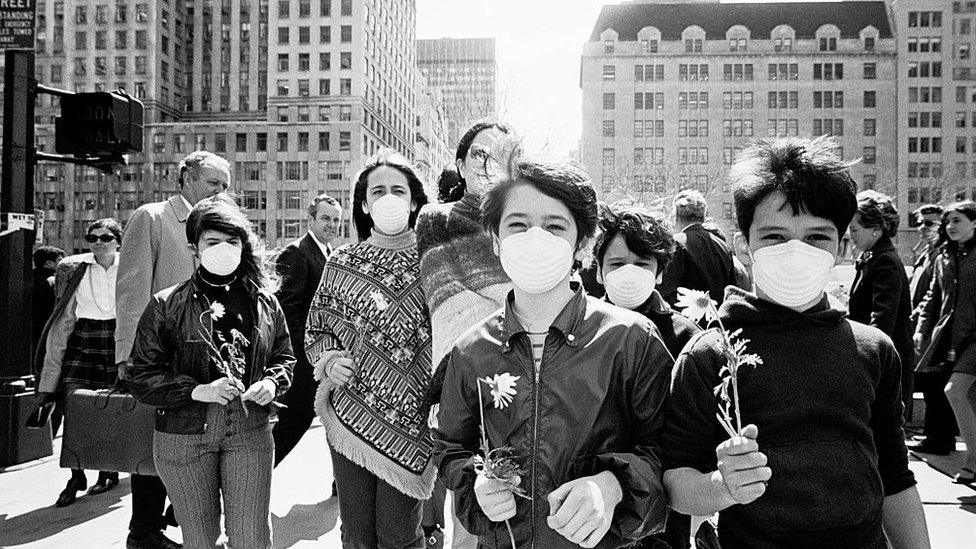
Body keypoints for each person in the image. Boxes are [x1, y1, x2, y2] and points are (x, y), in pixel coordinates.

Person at [663, 136, 930, 548]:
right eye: (774, 236)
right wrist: (723, 486)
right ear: (743, 247)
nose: (795, 250)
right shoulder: (711, 354)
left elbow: (894, 475)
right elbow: (677, 482)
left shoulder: (873, 350)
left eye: (816, 238)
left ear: (841, 248)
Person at [433, 156, 671, 548]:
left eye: (554, 226)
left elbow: (667, 451)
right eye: (518, 225)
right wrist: (476, 480)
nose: (535, 238)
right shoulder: (470, 350)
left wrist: (612, 486)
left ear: (582, 243)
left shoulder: (631, 340)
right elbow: (451, 448)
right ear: (495, 240)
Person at [129, 195, 294, 549]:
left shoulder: (264, 301)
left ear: (243, 245)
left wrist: (270, 382)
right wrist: (195, 390)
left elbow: (285, 357)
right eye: (213, 241)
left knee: (251, 538)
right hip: (184, 435)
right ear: (194, 248)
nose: (224, 249)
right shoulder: (165, 303)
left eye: (232, 241)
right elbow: (140, 375)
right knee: (200, 540)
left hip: (249, 430)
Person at [305, 150, 434, 548]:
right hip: (352, 413)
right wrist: (329, 361)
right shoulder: (343, 262)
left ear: (414, 200)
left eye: (399, 189)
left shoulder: (435, 261)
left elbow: (454, 332)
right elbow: (318, 327)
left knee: (399, 534)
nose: (389, 197)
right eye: (378, 190)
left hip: (414, 417)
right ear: (364, 203)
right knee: (357, 534)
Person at [115, 150, 230, 549]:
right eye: (213, 183)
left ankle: (171, 521)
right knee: (151, 449)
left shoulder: (217, 228)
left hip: (204, 360)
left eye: (225, 186)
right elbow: (131, 290)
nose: (220, 192)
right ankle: (143, 533)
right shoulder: (152, 218)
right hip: (158, 357)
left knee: (187, 445)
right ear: (185, 179)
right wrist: (127, 356)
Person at [415, 123, 519, 547]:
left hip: (534, 368)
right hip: (466, 378)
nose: (488, 163)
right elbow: (451, 299)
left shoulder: (524, 222)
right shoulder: (437, 220)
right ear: (459, 164)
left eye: (501, 154)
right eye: (478, 154)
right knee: (475, 507)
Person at [592, 204, 700, 549]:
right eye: (617, 263)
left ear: (660, 273)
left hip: (664, 510)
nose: (629, 272)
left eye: (642, 264)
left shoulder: (687, 338)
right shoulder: (577, 332)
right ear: (598, 271)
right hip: (594, 497)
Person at [35, 219, 123, 507]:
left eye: (106, 237)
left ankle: (107, 471)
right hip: (82, 340)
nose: (98, 242)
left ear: (117, 240)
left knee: (108, 410)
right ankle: (75, 475)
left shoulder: (130, 266)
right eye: (92, 237)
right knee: (74, 409)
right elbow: (64, 315)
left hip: (116, 340)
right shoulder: (74, 267)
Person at [272, 193, 341, 466]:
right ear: (310, 219)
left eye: (336, 220)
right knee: (292, 425)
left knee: (338, 422)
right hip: (305, 364)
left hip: (325, 360)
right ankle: (249, 483)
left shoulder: (329, 254)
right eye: (325, 218)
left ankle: (342, 481)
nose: (332, 225)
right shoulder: (296, 253)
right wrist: (310, 356)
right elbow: (288, 313)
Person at [915, 201, 976, 485]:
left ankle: (973, 462)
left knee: (955, 390)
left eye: (958, 220)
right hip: (950, 336)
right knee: (963, 395)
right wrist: (921, 329)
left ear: (974, 223)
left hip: (974, 337)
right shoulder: (944, 257)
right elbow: (932, 299)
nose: (950, 226)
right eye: (948, 221)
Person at [847, 190, 915, 418]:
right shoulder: (874, 257)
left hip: (884, 365)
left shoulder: (884, 261)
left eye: (855, 229)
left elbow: (882, 319)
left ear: (875, 229)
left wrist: (866, 359)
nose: (850, 234)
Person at [907, 204, 958, 455]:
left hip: (939, 331)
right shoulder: (926, 254)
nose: (922, 228)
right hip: (925, 328)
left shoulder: (944, 256)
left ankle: (941, 438)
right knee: (929, 385)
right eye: (920, 223)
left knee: (937, 386)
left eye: (929, 223)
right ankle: (932, 434)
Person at [658, 189, 736, 308]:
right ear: (703, 216)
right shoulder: (723, 246)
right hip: (719, 320)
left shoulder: (678, 242)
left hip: (686, 320)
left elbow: (666, 289)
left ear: (676, 217)